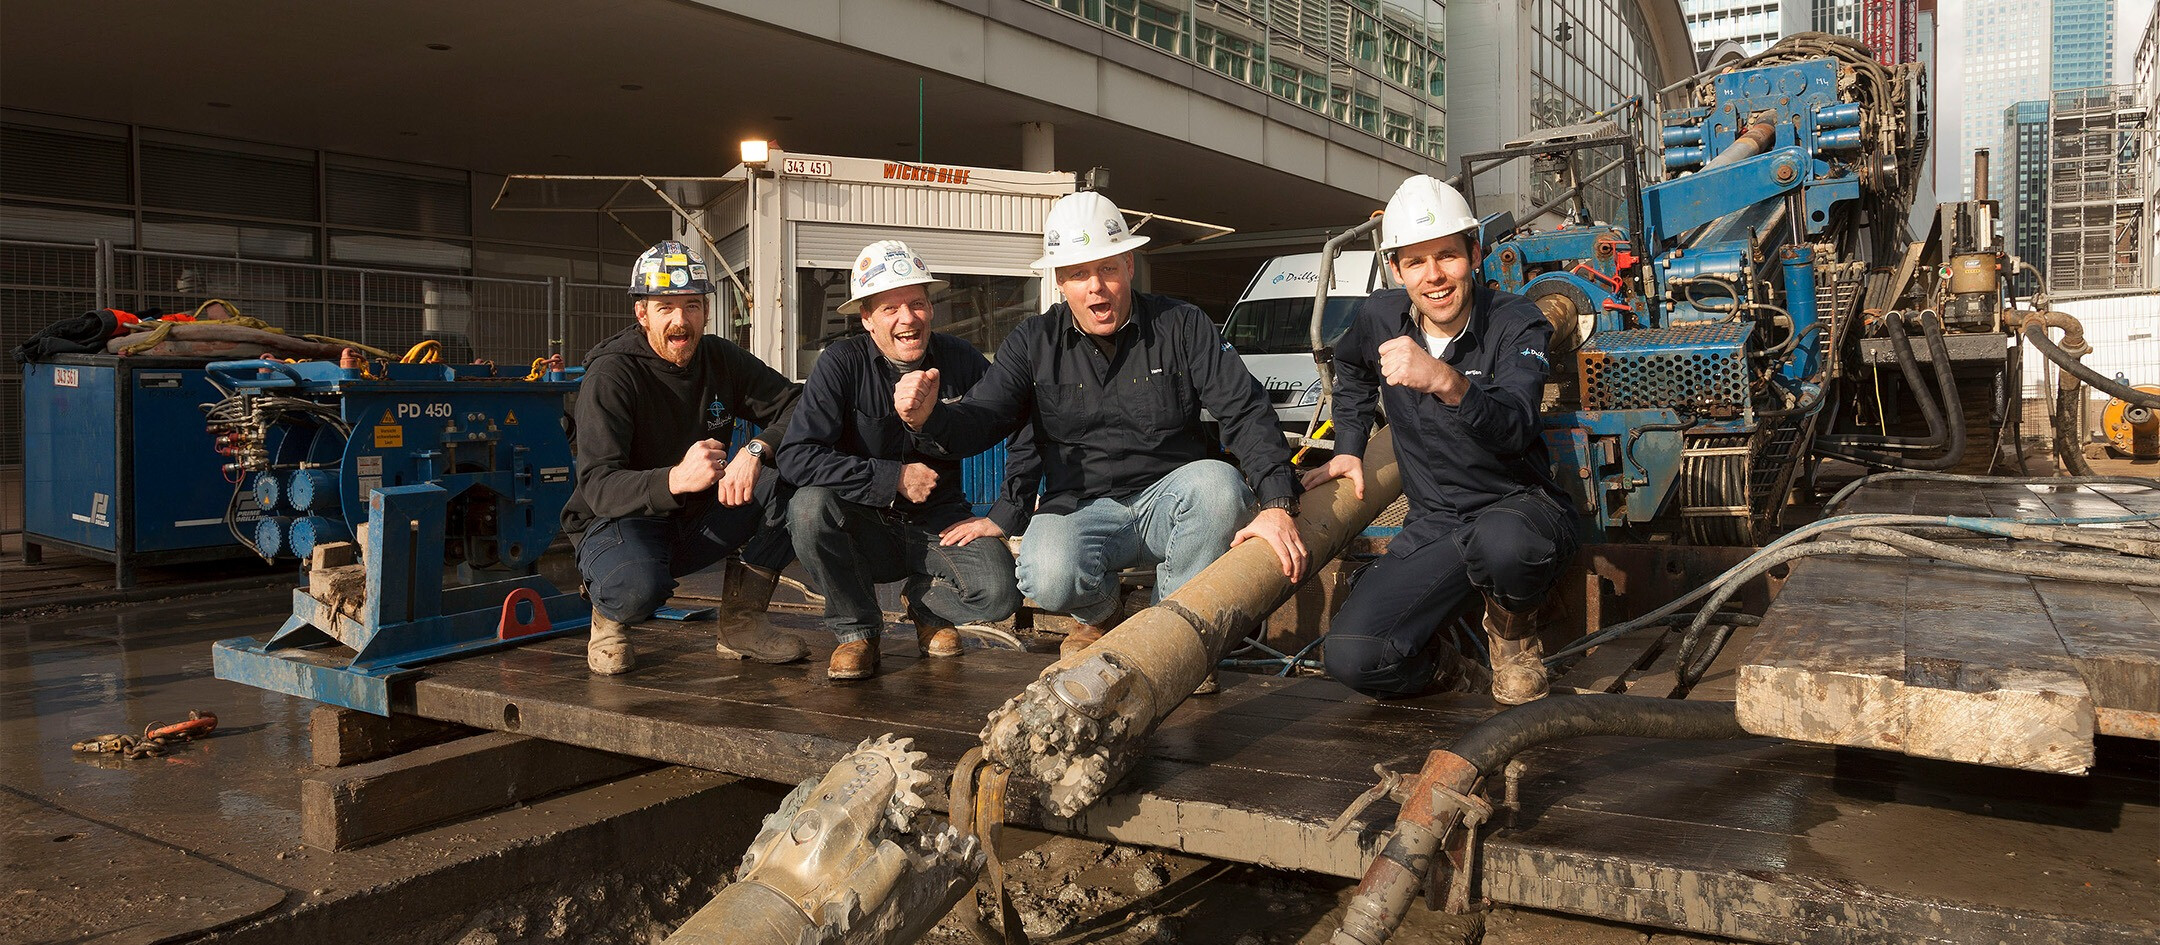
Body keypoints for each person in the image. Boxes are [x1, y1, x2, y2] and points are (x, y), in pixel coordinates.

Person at [894, 191, 1308, 671]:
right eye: (1077, 274)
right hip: (1080, 506)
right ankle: (1103, 614)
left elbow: (1245, 409)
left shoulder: (1182, 325)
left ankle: (1169, 639)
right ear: (1059, 280)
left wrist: (1277, 503)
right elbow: (985, 416)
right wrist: (930, 419)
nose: (1096, 288)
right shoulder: (1032, 342)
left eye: (1107, 269)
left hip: (1171, 502)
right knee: (1045, 575)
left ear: (1129, 266)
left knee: (1220, 486)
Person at [1306, 175, 1577, 704]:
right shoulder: (1380, 316)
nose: (1433, 276)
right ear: (1396, 269)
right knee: (1353, 656)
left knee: (1505, 543)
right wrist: (1350, 445)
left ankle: (1513, 640)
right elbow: (1351, 368)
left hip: (1518, 506)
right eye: (1415, 262)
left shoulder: (1516, 321)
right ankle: (1455, 674)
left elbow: (1517, 426)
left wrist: (1447, 382)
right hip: (1437, 522)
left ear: (1474, 254)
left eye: (1447, 256)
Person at [779, 241, 1032, 679]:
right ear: (867, 319)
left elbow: (1021, 419)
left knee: (999, 593)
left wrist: (1007, 511)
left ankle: (925, 607)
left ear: (931, 308)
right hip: (863, 524)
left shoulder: (960, 358)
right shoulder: (841, 363)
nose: (907, 318)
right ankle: (857, 631)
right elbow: (796, 456)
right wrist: (891, 477)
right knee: (808, 508)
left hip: (940, 522)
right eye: (890, 308)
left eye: (916, 303)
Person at [562, 239, 809, 675]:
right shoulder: (612, 375)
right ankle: (608, 614)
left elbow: (799, 406)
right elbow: (598, 485)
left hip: (699, 516)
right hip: (622, 520)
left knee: (797, 478)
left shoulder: (720, 358)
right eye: (666, 308)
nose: (681, 321)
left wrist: (756, 450)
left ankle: (741, 624)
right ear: (642, 314)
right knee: (635, 589)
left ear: (706, 311)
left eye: (692, 306)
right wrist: (674, 479)